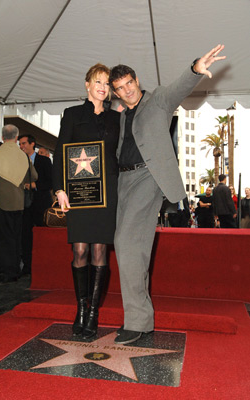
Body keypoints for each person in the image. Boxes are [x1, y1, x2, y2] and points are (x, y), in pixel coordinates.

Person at [109, 44, 226, 345]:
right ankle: (141, 319)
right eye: (120, 89)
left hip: (148, 177)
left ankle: (136, 322)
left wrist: (195, 69)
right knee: (129, 249)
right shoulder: (124, 114)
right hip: (125, 182)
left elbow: (179, 88)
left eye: (129, 84)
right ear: (117, 93)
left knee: (126, 244)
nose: (127, 91)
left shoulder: (158, 100)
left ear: (137, 81)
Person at [53, 63, 120, 339]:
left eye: (106, 83)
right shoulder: (71, 115)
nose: (102, 87)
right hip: (79, 196)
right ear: (87, 84)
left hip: (107, 196)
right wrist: (59, 190)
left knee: (99, 252)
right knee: (80, 251)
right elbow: (59, 154)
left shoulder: (117, 119)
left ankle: (93, 314)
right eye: (98, 82)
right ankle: (81, 307)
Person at [0, 125, 37, 284]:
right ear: (16, 138)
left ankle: (8, 272)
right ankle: (15, 269)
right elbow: (34, 175)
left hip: (2, 201)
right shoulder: (22, 156)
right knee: (15, 237)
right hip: (19, 203)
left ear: (2, 137)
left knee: (3, 238)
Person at [19, 134, 53, 274]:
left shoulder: (44, 161)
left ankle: (44, 266)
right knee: (25, 236)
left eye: (24, 143)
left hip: (41, 204)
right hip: (24, 205)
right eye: (20, 144)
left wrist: (35, 185)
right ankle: (27, 267)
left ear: (33, 144)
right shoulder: (18, 162)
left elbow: (50, 182)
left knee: (42, 236)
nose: (21, 146)